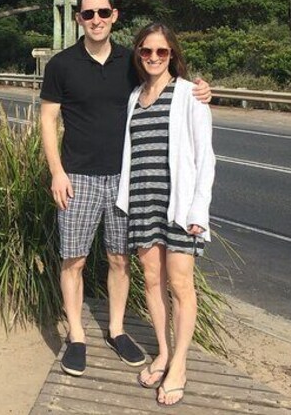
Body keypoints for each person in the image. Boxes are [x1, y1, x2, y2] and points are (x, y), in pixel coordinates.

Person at [39, 0, 211, 377]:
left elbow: (164, 78)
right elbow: (48, 119)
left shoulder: (130, 61)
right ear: (78, 19)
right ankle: (78, 336)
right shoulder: (61, 65)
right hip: (76, 177)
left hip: (124, 182)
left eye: (103, 12)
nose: (96, 19)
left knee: (120, 260)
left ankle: (116, 330)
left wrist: (202, 89)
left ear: (114, 15)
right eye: (88, 14)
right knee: (74, 259)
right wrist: (57, 171)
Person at [115, 23, 215, 406]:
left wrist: (198, 211)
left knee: (180, 284)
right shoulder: (134, 97)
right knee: (152, 280)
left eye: (162, 52)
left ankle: (181, 365)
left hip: (178, 207)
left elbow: (205, 158)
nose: (154, 58)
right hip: (141, 202)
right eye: (146, 52)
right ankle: (163, 351)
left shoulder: (190, 94)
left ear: (172, 55)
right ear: (138, 55)